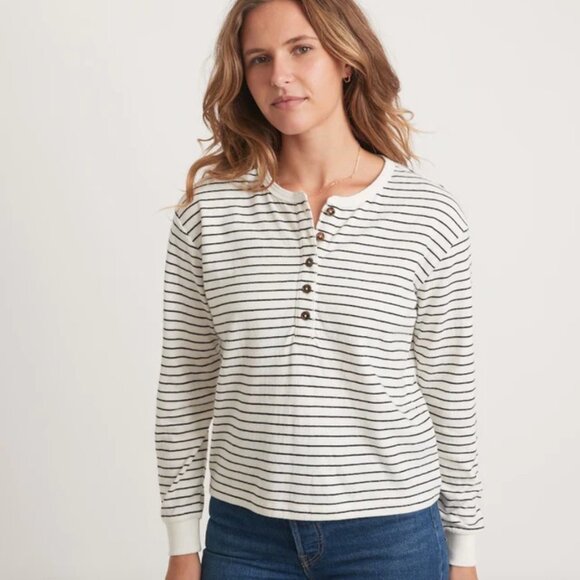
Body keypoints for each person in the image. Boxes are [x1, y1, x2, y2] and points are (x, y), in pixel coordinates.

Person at [155, 1, 485, 579]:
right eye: (259, 58)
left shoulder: (428, 215)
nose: (279, 75)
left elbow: (449, 388)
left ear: (346, 59)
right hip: (244, 536)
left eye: (301, 49)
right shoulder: (209, 213)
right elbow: (185, 385)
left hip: (393, 538)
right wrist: (182, 545)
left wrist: (465, 553)